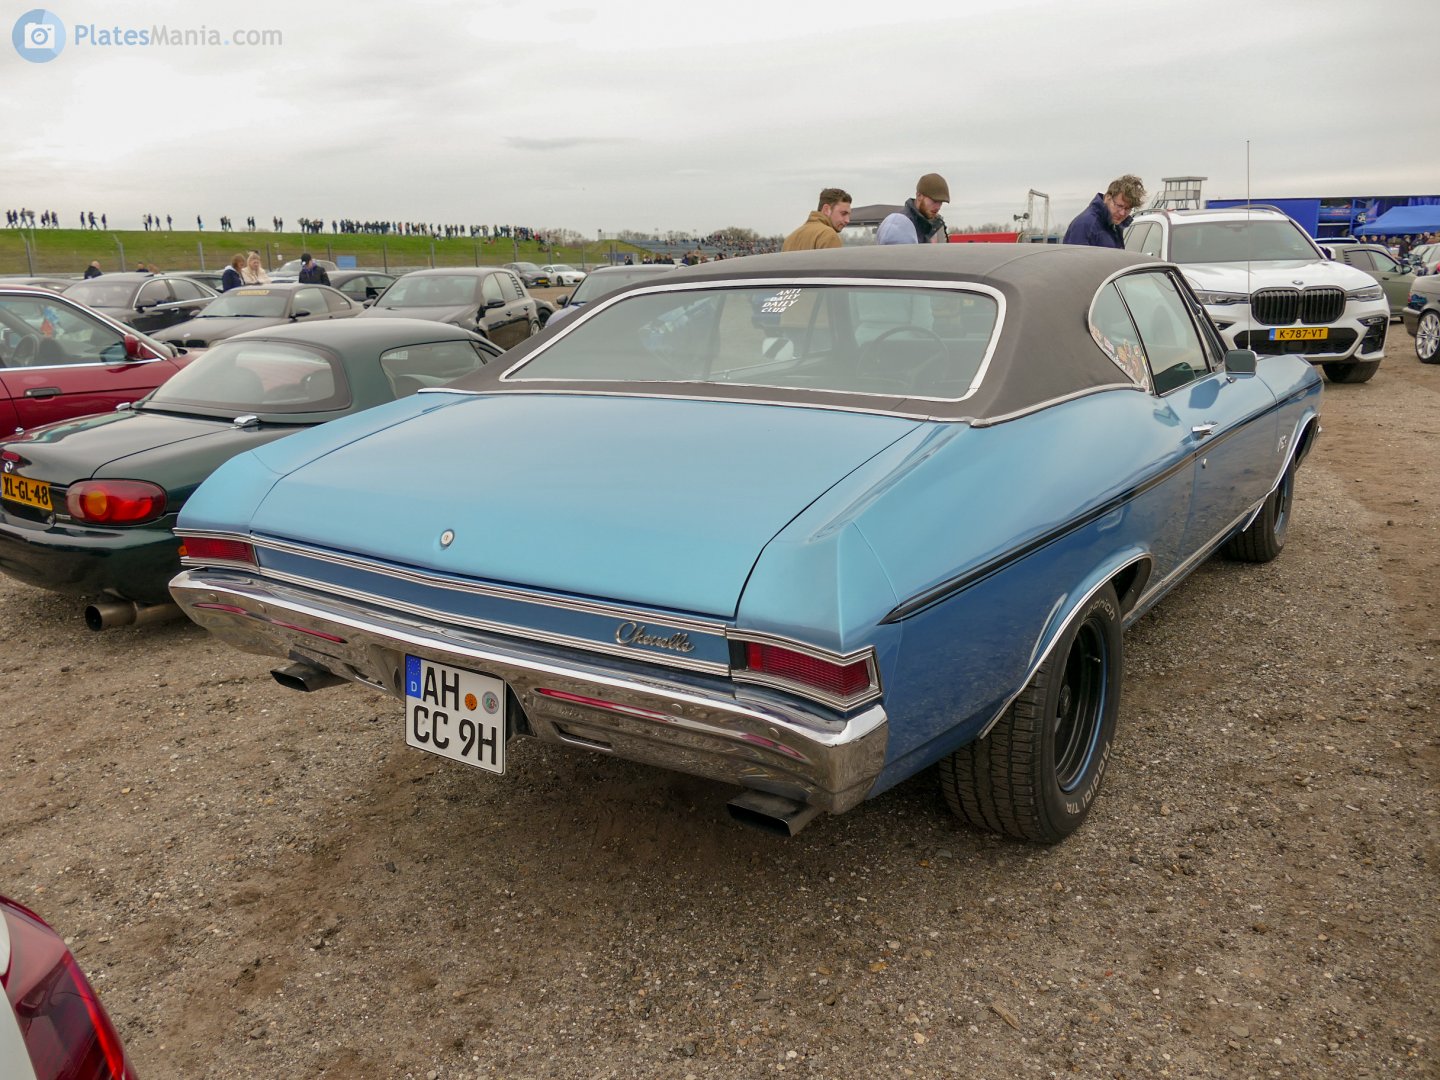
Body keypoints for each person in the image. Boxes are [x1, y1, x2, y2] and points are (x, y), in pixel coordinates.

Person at [1063, 175, 1147, 248]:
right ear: (1107, 198)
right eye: (1119, 206)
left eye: (1127, 209)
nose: (1122, 213)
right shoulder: (1086, 225)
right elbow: (1075, 264)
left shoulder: (1113, 226)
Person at [877, 174, 949, 245]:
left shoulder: (928, 226)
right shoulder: (900, 226)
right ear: (919, 196)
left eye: (941, 202)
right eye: (934, 201)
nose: (938, 207)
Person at [782, 187, 852, 251]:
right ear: (826, 210)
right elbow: (834, 264)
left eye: (848, 215)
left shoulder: (790, 239)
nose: (847, 220)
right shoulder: (828, 235)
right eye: (843, 213)